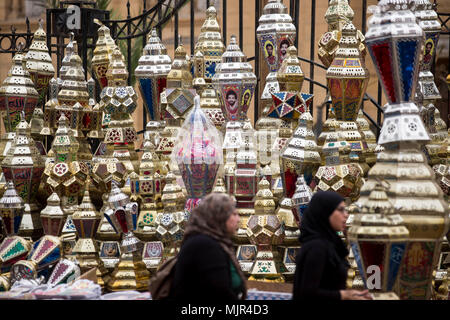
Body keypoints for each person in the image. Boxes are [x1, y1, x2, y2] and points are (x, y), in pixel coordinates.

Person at [293, 191, 372, 300]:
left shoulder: (330, 244)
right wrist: (344, 295)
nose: (346, 214)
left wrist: (352, 294)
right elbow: (307, 293)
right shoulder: (317, 247)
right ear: (325, 212)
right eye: (340, 210)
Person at [169, 193, 247, 301]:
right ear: (219, 216)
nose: (238, 219)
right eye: (233, 214)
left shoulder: (215, 241)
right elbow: (219, 291)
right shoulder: (204, 245)